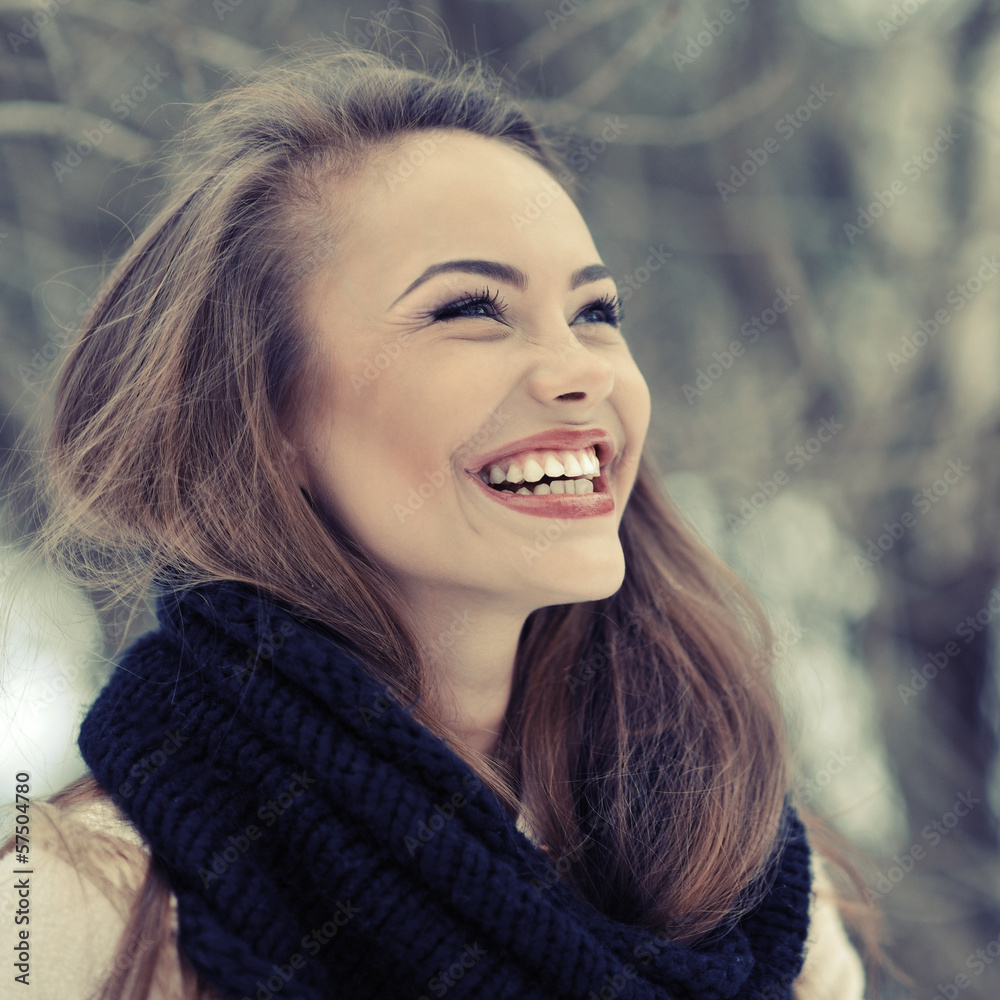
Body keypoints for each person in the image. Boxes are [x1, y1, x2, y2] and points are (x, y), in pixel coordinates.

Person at [1, 43, 872, 1000]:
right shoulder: (63, 911)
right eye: (471, 309)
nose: (581, 369)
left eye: (596, 310)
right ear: (266, 416)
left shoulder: (748, 888)